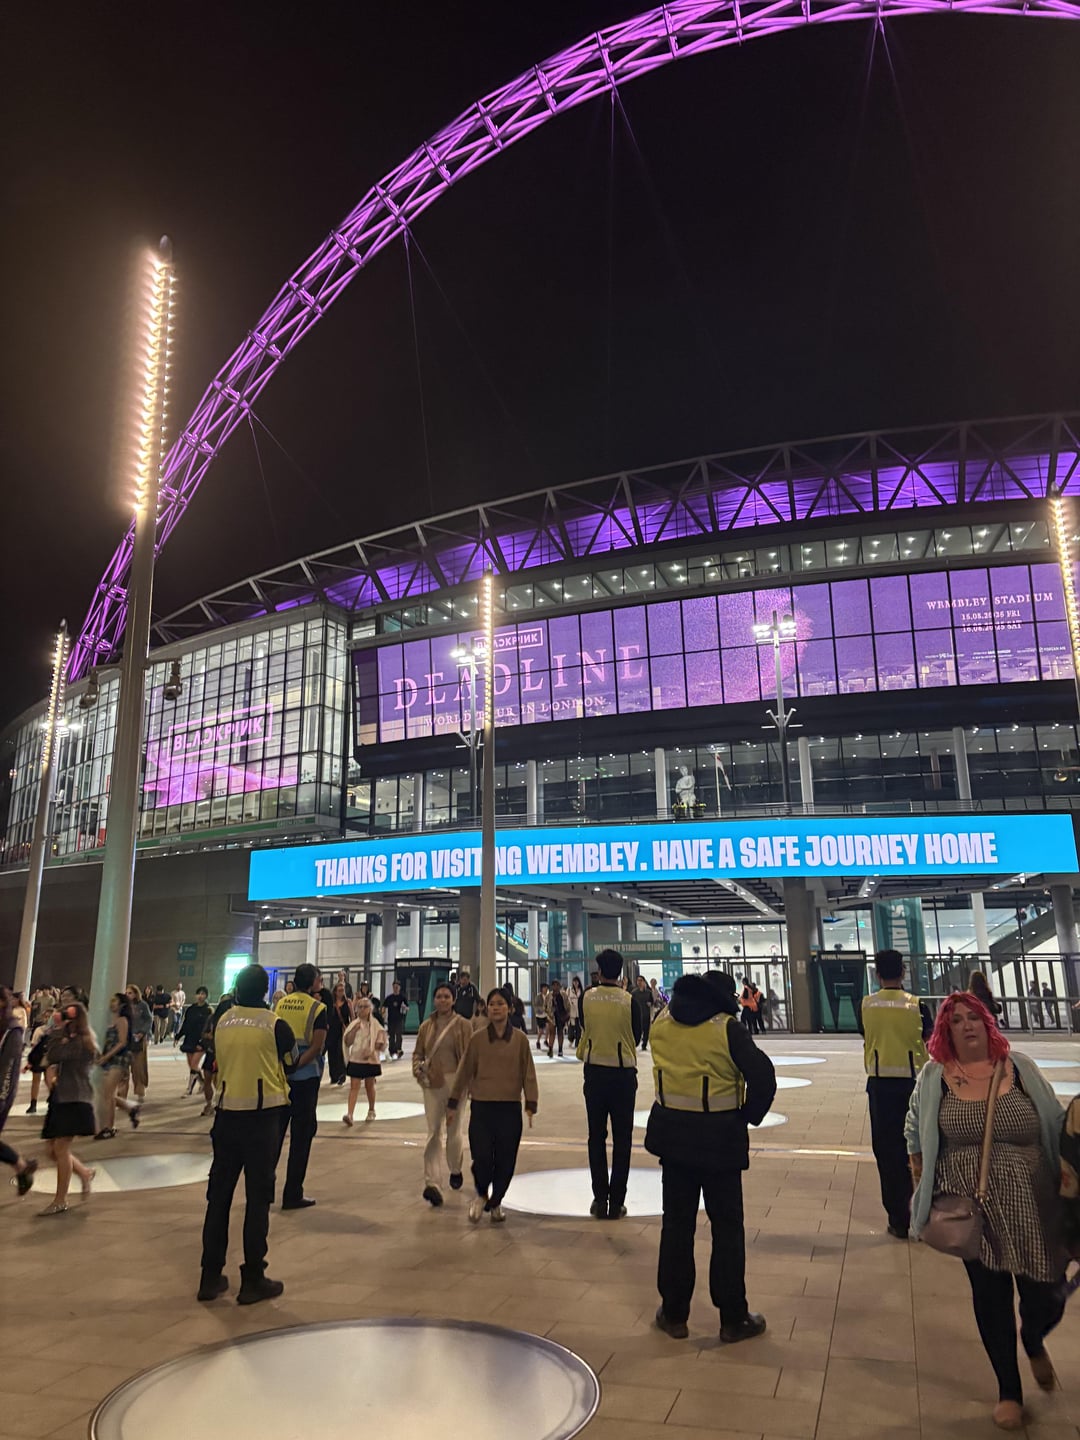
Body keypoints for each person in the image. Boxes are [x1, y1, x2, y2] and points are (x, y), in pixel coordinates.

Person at [905, 991, 1065, 1431]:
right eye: (956, 1020)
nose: (967, 1025)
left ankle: (1032, 1336)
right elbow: (915, 1126)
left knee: (1046, 1293)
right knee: (991, 1295)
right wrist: (920, 1178)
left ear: (987, 1023)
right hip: (972, 1207)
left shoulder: (1020, 1068)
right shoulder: (935, 1077)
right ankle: (1009, 1389)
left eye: (973, 1017)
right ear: (946, 1031)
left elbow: (1054, 1120)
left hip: (1034, 1201)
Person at [646, 971, 776, 1344]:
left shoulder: (662, 1023)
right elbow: (763, 1077)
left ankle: (674, 1313)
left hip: (674, 1139)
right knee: (727, 1229)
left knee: (676, 1226)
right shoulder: (727, 1029)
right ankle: (733, 1317)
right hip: (721, 1141)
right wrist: (747, 1115)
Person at [198, 963, 293, 1305]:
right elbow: (290, 1062)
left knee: (219, 1198)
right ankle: (252, 1278)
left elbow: (215, 1058)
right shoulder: (274, 1024)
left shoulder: (223, 1021)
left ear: (237, 989)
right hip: (262, 1119)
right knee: (258, 1200)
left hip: (226, 1117)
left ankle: (210, 1277)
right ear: (265, 991)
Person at [447, 988, 538, 1224]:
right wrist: (453, 1101)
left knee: (506, 1161)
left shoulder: (520, 1040)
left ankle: (496, 1201)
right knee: (482, 1157)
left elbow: (528, 1072)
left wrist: (531, 1101)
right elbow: (464, 1070)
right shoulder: (477, 1039)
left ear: (510, 1008)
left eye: (500, 1004)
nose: (496, 1008)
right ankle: (481, 1194)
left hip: (509, 1109)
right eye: (492, 1004)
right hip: (482, 1107)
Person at [858, 949, 932, 1239]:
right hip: (915, 1086)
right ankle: (924, 1214)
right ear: (903, 972)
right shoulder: (917, 1005)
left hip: (880, 1087)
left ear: (877, 974)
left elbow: (866, 1034)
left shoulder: (866, 1005)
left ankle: (898, 1218)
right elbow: (929, 1038)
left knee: (887, 1153)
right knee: (919, 1149)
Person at [578, 948, 641, 1220]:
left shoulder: (587, 998)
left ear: (599, 971)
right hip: (623, 1075)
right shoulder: (629, 1001)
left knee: (596, 1137)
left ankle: (599, 1198)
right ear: (621, 972)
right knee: (623, 1139)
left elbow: (584, 1026)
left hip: (594, 1073)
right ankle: (617, 1201)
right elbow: (636, 1035)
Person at [412, 982, 472, 1206]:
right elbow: (418, 1053)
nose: (443, 1000)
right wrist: (418, 1070)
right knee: (433, 1131)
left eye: (447, 996)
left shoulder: (464, 1025)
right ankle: (432, 1183)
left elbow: (469, 1056)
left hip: (457, 1083)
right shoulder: (426, 1026)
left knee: (454, 1131)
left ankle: (455, 1168)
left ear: (453, 1000)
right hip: (432, 1084)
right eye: (439, 996)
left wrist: (468, 1084)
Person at [274, 963, 327, 1209]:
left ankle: (264, 1190)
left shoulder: (280, 1004)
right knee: (301, 1138)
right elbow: (317, 1046)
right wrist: (297, 1064)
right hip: (306, 1077)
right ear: (313, 982)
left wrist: (287, 1067)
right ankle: (292, 1193)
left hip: (281, 1077)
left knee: (275, 1136)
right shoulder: (318, 1008)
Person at [38, 1000, 98, 1215]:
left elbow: (54, 1055)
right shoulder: (71, 1038)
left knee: (61, 1149)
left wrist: (57, 1030)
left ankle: (60, 1200)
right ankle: (84, 1173)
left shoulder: (82, 1042)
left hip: (75, 1099)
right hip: (61, 1097)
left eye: (66, 1016)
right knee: (51, 1150)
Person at [0, 987, 37, 1195]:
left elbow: (7, 1069)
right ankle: (22, 1167)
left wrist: (1, 1099)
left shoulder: (12, 1031)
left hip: (2, 1094)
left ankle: (22, 1166)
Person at [95, 993, 141, 1139]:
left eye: (115, 1001)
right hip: (110, 1060)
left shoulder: (122, 1020)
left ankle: (109, 1127)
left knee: (108, 1094)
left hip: (119, 1059)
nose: (111, 1003)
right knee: (107, 1093)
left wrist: (106, 1057)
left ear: (122, 1004)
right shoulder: (113, 1020)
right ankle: (130, 1107)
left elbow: (122, 1042)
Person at [342, 996, 386, 1125]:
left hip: (370, 1060)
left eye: (365, 1007)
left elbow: (381, 1042)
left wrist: (372, 1050)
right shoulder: (354, 1024)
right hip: (356, 1059)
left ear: (370, 1009)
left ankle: (371, 1110)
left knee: (369, 1086)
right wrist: (353, 1031)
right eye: (360, 1007)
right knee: (354, 1087)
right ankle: (350, 1114)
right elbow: (347, 1042)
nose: (362, 1009)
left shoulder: (376, 1024)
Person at [177, 986, 212, 1096]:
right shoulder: (191, 1009)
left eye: (203, 994)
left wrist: (204, 1039)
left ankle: (189, 1089)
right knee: (192, 1065)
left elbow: (209, 1027)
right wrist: (178, 1036)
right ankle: (203, 1083)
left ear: (206, 996)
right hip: (190, 1039)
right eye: (199, 993)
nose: (200, 996)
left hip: (201, 1041)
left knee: (194, 1064)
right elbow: (186, 1024)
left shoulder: (208, 1010)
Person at [122, 983, 153, 1103]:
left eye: (130, 993)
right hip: (126, 1039)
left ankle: (140, 1091)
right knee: (124, 1069)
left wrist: (143, 1032)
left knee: (138, 1068)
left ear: (136, 994)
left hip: (138, 1039)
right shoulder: (124, 1006)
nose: (127, 995)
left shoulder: (142, 1005)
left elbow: (149, 1019)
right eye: (126, 993)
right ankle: (122, 1096)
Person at [326, 981, 352, 1086]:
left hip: (343, 1030)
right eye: (339, 990)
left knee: (340, 1052)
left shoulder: (348, 1002)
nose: (341, 992)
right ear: (335, 992)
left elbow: (352, 1016)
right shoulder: (331, 1003)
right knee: (332, 1052)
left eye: (343, 990)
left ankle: (342, 1074)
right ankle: (333, 1075)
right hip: (332, 1030)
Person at [384, 980, 408, 1061]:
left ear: (399, 988)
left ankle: (398, 1049)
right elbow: (384, 1006)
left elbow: (407, 1007)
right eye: (394, 987)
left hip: (399, 1019)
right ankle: (392, 1050)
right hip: (391, 1019)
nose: (396, 988)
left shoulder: (402, 998)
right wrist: (383, 1014)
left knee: (398, 1035)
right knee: (391, 1035)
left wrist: (405, 1008)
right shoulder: (389, 998)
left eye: (397, 987)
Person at [548, 979, 569, 1058]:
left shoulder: (563, 995)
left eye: (557, 985)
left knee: (560, 1032)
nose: (555, 987)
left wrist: (567, 1014)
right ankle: (550, 1049)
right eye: (554, 985)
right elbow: (545, 1006)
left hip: (561, 1016)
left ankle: (560, 1049)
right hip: (552, 1017)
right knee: (552, 1033)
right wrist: (548, 1013)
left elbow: (568, 1005)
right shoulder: (549, 995)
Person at [632, 975, 653, 1051]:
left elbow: (652, 1001)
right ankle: (635, 1043)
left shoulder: (648, 992)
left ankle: (644, 1044)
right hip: (637, 1015)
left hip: (646, 1014)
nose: (639, 982)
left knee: (646, 1030)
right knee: (637, 1030)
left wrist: (650, 1003)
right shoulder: (634, 993)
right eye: (638, 980)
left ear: (644, 982)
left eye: (641, 980)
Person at [567, 976, 583, 1046]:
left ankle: (577, 1042)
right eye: (574, 982)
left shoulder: (581, 990)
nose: (575, 983)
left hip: (579, 1012)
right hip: (572, 1012)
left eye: (577, 982)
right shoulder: (569, 990)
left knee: (579, 1028)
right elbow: (567, 999)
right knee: (571, 1027)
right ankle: (571, 1040)